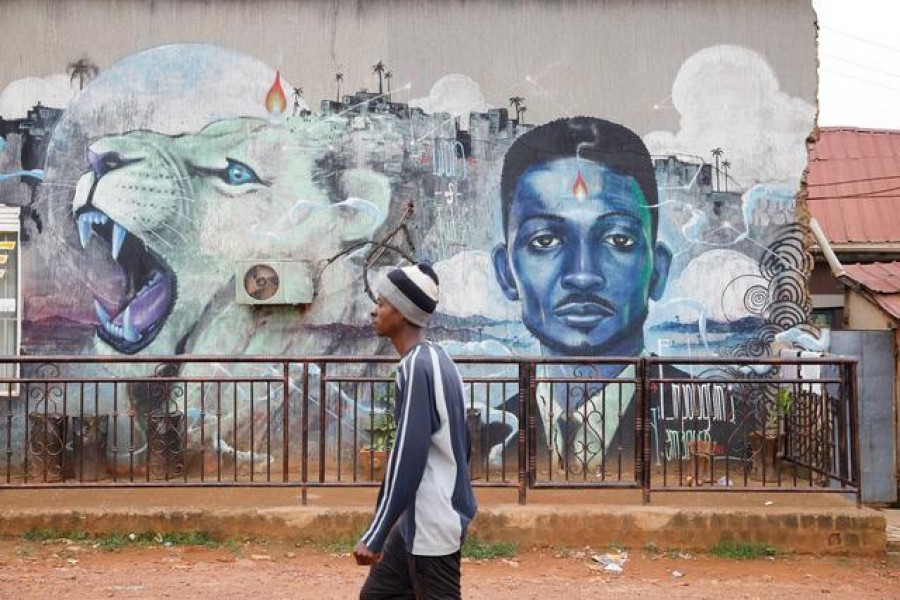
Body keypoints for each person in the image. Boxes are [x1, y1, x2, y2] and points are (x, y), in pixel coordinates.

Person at [491, 116, 678, 474]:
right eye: (544, 241)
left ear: (657, 271)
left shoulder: (707, 421)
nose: (581, 275)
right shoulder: (493, 431)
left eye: (618, 240)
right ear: (506, 273)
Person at [354, 262, 478, 600]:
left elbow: (407, 457)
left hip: (431, 524)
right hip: (419, 520)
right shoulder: (440, 360)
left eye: (381, 303)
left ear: (403, 311)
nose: (374, 311)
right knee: (378, 595)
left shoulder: (415, 368)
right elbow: (464, 442)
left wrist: (376, 533)